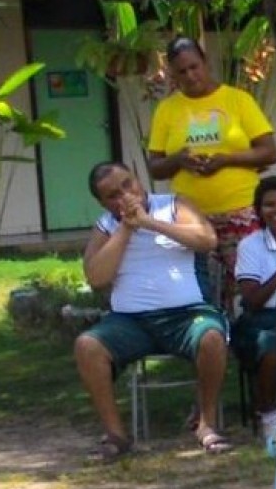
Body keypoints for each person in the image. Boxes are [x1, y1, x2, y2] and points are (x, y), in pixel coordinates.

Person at [74, 161, 227, 461]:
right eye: (112, 195)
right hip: (130, 321)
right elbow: (96, 277)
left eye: (127, 185)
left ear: (137, 179)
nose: (124, 196)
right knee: (86, 345)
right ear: (102, 202)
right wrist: (127, 228)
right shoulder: (106, 226)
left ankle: (206, 424)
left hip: (186, 314)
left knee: (211, 337)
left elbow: (207, 239)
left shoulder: (173, 205)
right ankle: (116, 435)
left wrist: (149, 223)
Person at [147, 36, 276, 311]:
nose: (190, 76)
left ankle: (254, 341)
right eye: (181, 71)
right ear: (172, 74)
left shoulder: (237, 100)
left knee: (248, 282)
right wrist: (179, 160)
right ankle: (215, 340)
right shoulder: (167, 109)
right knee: (203, 287)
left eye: (194, 67)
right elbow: (155, 167)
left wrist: (226, 160)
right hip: (192, 218)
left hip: (241, 212)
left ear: (205, 62)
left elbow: (269, 152)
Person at [233, 175, 276, 446]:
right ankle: (269, 413)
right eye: (270, 205)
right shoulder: (250, 245)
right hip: (262, 319)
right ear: (259, 210)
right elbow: (252, 301)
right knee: (271, 345)